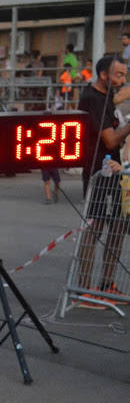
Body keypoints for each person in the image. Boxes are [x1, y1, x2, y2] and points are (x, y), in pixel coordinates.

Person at [76, 55, 130, 306]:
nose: (122, 79)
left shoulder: (107, 96)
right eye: (118, 74)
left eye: (124, 74)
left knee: (118, 226)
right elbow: (110, 140)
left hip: (113, 172)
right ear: (103, 75)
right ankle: (84, 288)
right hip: (99, 171)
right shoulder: (93, 98)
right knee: (95, 227)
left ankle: (107, 284)